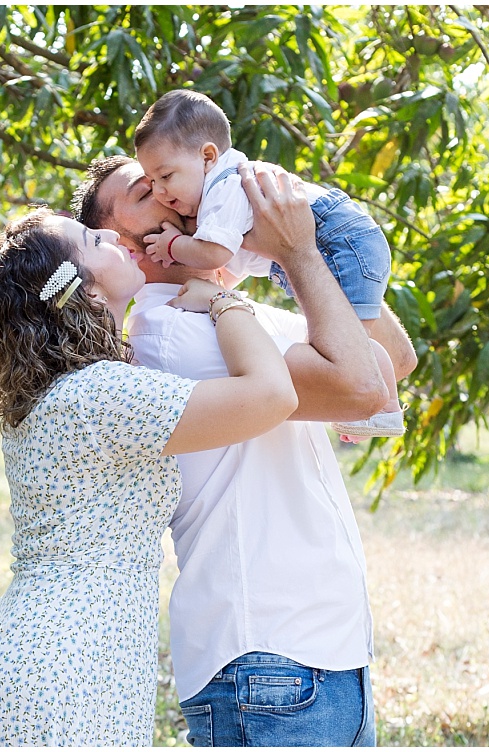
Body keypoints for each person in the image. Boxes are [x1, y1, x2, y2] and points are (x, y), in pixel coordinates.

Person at [73, 156, 399, 746]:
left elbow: (390, 362)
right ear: (128, 247)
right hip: (268, 658)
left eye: (174, 177)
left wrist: (327, 241)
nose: (178, 194)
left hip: (314, 649)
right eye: (151, 190)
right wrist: (297, 252)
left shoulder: (222, 311)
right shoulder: (181, 334)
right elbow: (360, 387)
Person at [0, 209, 298, 745]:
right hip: (68, 667)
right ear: (86, 291)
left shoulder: (60, 392)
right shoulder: (102, 394)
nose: (114, 237)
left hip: (57, 656)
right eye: (94, 240)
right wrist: (216, 296)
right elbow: (273, 396)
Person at [132, 89, 406, 438]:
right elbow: (231, 266)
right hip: (345, 242)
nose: (160, 192)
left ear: (207, 156)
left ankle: (378, 411)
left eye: (165, 177)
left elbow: (215, 254)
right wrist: (212, 289)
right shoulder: (223, 196)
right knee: (344, 343)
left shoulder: (225, 188)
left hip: (339, 242)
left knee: (341, 346)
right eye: (150, 183)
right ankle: (373, 406)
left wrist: (174, 244)